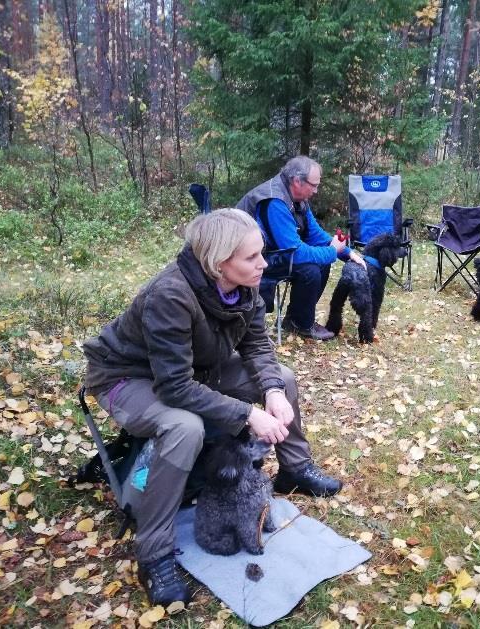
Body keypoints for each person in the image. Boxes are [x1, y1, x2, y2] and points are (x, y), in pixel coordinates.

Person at [82, 209, 342, 606]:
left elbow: (256, 346)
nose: (264, 263)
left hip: (195, 368)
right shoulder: (169, 295)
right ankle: (154, 554)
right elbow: (174, 387)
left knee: (284, 378)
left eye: (262, 253)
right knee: (185, 426)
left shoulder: (246, 286)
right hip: (127, 376)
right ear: (219, 262)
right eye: (252, 257)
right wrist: (247, 413)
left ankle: (295, 469)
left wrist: (271, 391)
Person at [236, 155, 366, 341]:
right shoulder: (275, 202)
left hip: (273, 253)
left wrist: (346, 252)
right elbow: (295, 253)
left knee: (320, 263)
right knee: (309, 268)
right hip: (250, 260)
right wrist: (332, 251)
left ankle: (296, 321)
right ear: (297, 181)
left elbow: (315, 234)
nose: (316, 190)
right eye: (314, 185)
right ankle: (301, 324)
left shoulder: (297, 198)